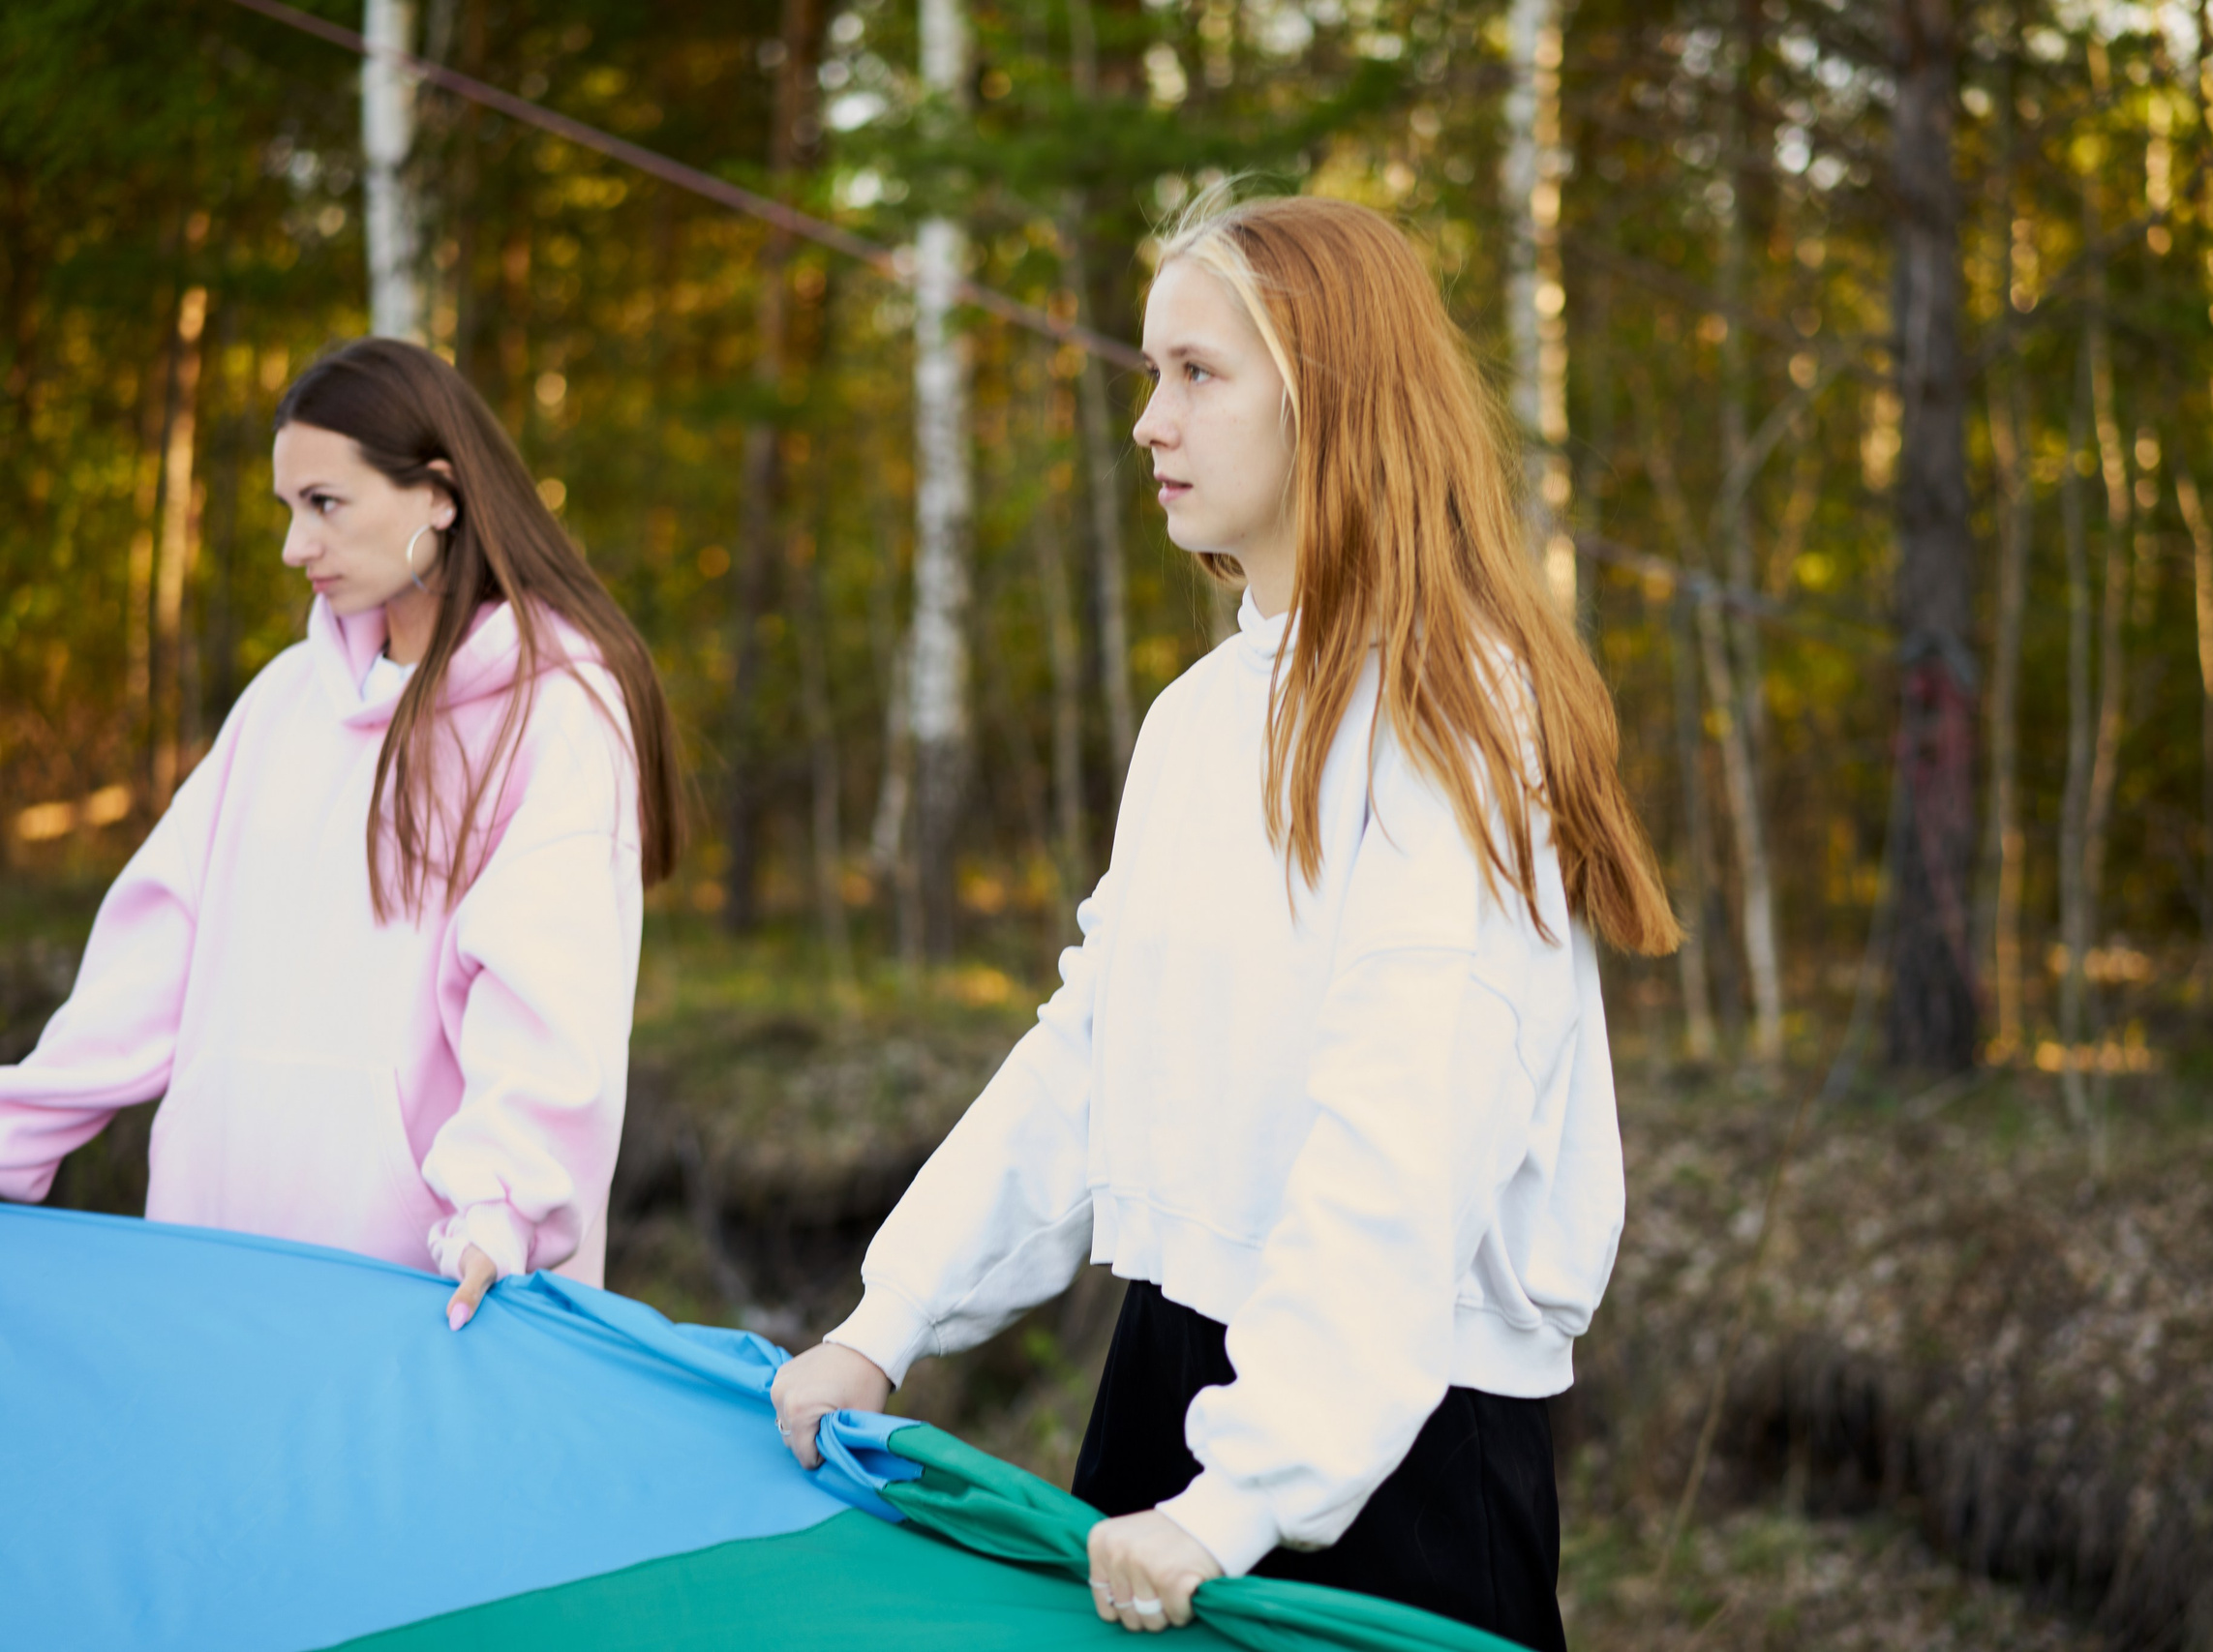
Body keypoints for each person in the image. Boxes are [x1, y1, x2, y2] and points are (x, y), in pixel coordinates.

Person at [771, 195, 1678, 1649]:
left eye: (1197, 373)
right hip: (1173, 1386)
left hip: (1403, 1445)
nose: (1148, 421)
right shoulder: (1196, 720)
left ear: (1329, 395)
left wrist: (1248, 1486)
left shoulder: (1460, 713)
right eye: (1150, 373)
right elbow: (1087, 1051)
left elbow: (1409, 1130)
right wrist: (885, 1320)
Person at [0, 338, 681, 1331]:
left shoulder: (559, 709)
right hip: (213, 1262)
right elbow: (152, 958)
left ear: (438, 494)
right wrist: (16, 1131)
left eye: (325, 504)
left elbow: (549, 994)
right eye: (288, 509)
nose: (293, 546)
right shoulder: (282, 702)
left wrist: (499, 1209)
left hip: (425, 1296)